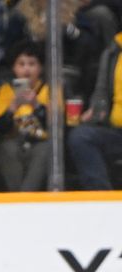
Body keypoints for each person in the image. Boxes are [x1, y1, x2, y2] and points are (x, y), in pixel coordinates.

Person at [0, 41, 50, 191]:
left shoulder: (49, 89)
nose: (26, 69)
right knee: (7, 149)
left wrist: (36, 105)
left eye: (32, 64)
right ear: (14, 68)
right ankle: (18, 197)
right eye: (21, 64)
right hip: (14, 139)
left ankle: (25, 197)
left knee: (44, 150)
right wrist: (12, 108)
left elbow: (56, 124)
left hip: (41, 141)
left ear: (40, 68)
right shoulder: (6, 90)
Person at [66, 31, 122, 190]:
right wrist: (96, 111)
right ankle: (101, 198)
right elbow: (101, 91)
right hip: (116, 131)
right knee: (81, 136)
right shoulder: (114, 50)